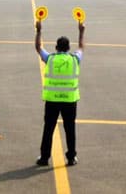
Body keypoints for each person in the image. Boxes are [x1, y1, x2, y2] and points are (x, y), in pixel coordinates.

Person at [35, 19, 84, 167]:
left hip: (52, 101)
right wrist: (81, 31)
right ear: (69, 48)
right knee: (70, 129)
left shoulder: (50, 58)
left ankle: (44, 158)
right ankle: (71, 157)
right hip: (69, 101)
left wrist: (39, 30)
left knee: (48, 129)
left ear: (56, 47)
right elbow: (81, 47)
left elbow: (38, 47)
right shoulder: (75, 59)